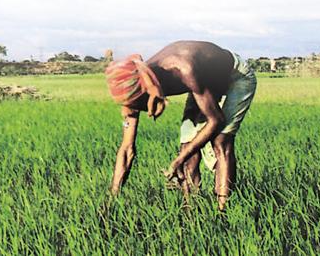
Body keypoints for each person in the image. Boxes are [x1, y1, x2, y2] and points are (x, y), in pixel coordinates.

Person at [105, 40, 256, 210]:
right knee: (187, 144)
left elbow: (216, 120)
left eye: (138, 105)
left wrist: (179, 159)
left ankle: (223, 212)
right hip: (204, 84)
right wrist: (113, 197)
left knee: (221, 142)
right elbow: (127, 149)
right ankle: (191, 210)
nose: (136, 110)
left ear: (147, 93)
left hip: (234, 76)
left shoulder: (183, 69)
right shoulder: (132, 86)